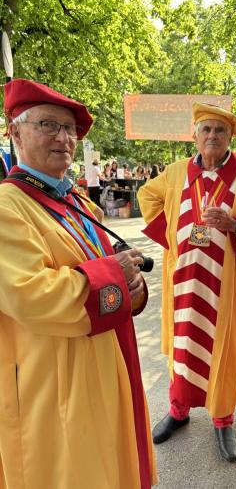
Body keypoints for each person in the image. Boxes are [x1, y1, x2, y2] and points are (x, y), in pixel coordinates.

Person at [0, 78, 156, 489]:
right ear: (14, 131)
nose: (64, 138)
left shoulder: (78, 202)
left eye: (69, 128)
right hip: (52, 381)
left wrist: (134, 292)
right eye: (47, 125)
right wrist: (115, 277)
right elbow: (30, 295)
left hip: (103, 360)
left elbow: (111, 274)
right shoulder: (7, 206)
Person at [138, 103, 236, 462]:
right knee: (183, 348)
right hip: (183, 280)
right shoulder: (175, 173)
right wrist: (173, 235)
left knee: (224, 350)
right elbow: (147, 196)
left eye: (219, 130)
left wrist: (235, 226)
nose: (212, 136)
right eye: (206, 130)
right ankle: (179, 410)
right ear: (195, 136)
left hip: (227, 286)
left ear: (230, 136)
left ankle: (223, 418)